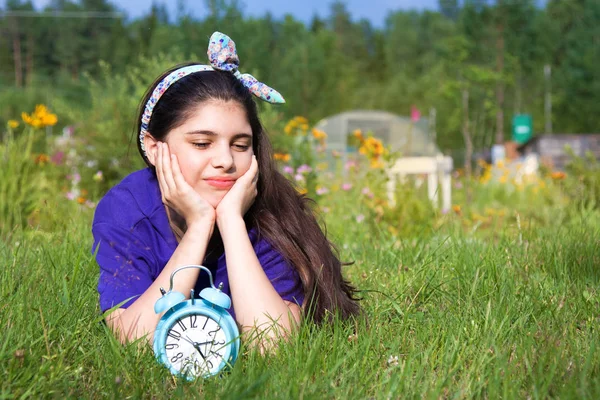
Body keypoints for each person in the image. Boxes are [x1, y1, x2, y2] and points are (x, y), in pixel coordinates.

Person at [92, 32, 360, 345]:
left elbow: (271, 343)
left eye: (240, 144)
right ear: (154, 148)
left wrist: (231, 221)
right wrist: (199, 228)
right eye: (202, 143)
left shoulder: (266, 210)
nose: (225, 161)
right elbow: (135, 341)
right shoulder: (127, 210)